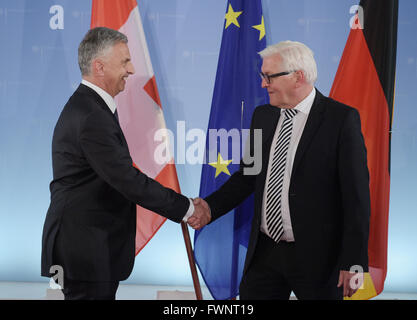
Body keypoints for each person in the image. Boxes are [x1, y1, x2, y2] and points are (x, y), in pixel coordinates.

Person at [189, 41, 370, 300]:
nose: (264, 84)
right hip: (265, 253)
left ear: (299, 76)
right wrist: (210, 207)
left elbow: (357, 198)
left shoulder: (340, 119)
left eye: (269, 76)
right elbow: (248, 175)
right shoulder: (263, 116)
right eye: (263, 77)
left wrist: (354, 262)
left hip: (319, 258)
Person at [41, 27, 210, 300]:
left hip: (87, 247)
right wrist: (186, 208)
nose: (130, 70)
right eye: (125, 62)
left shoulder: (90, 107)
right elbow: (127, 180)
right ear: (99, 66)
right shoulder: (91, 114)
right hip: (85, 250)